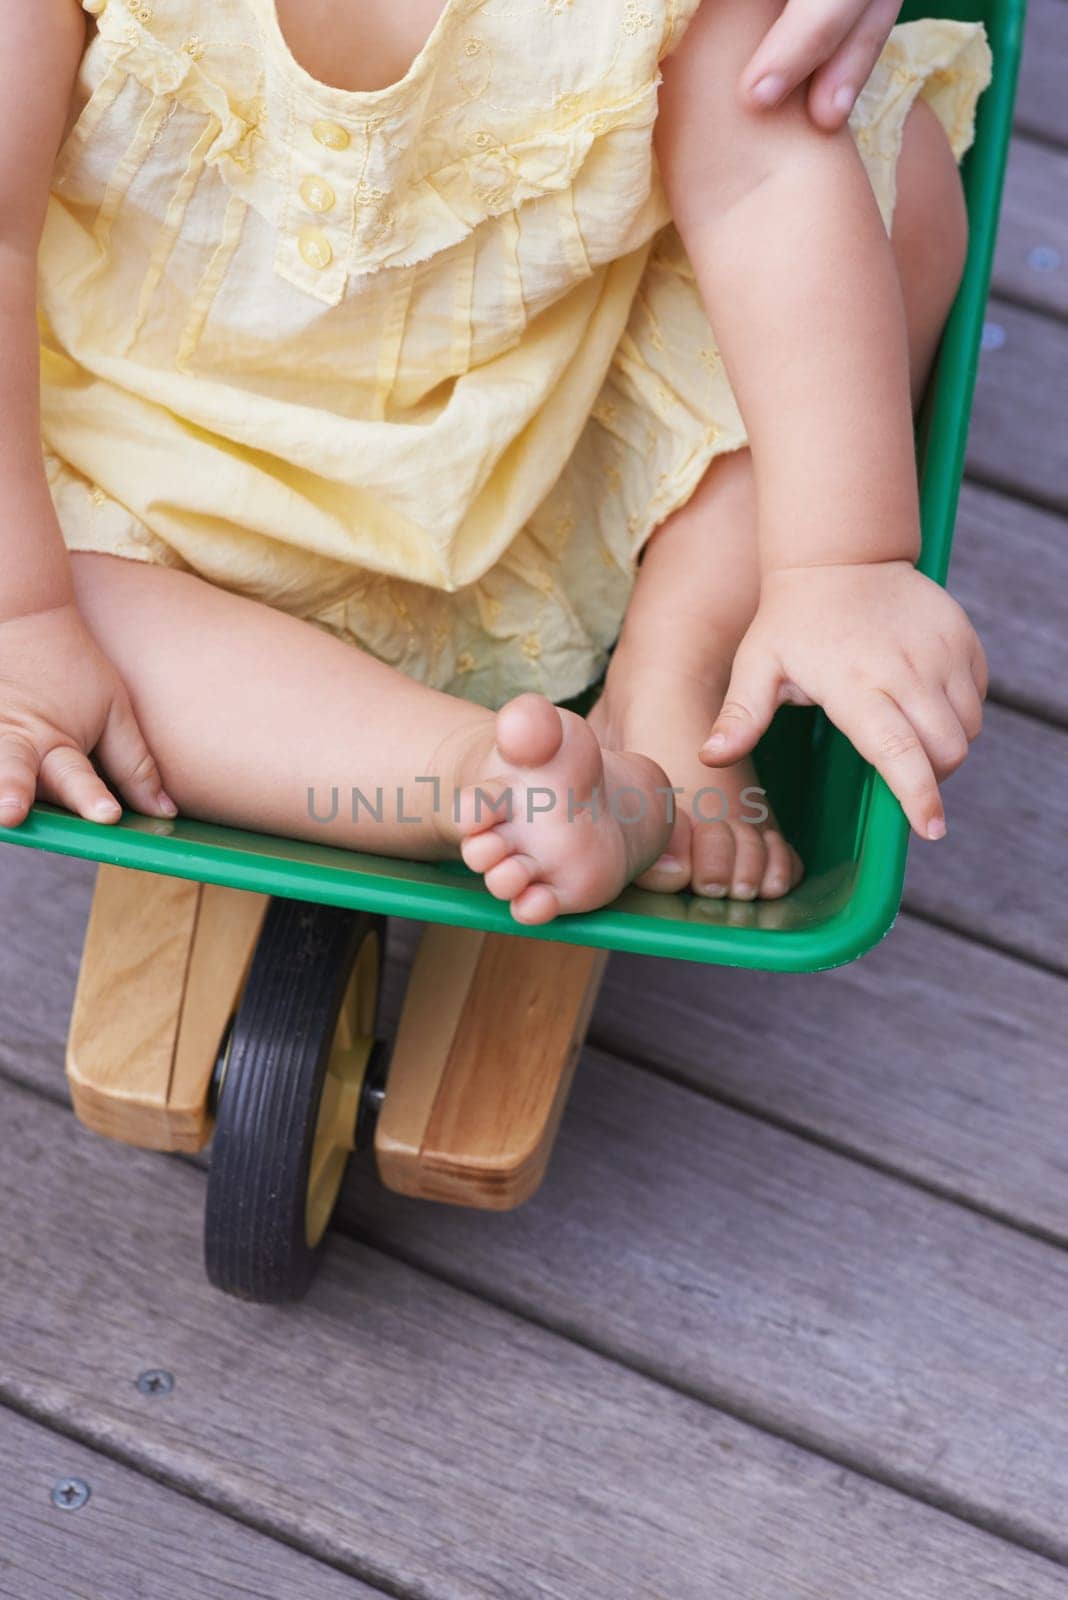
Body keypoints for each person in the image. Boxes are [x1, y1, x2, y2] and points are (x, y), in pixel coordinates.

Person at [0, 0, 991, 924]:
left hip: (542, 438)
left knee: (881, 174)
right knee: (58, 632)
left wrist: (840, 558)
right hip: (136, 474)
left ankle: (674, 667)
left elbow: (759, 188)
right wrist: (21, 609)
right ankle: (475, 779)